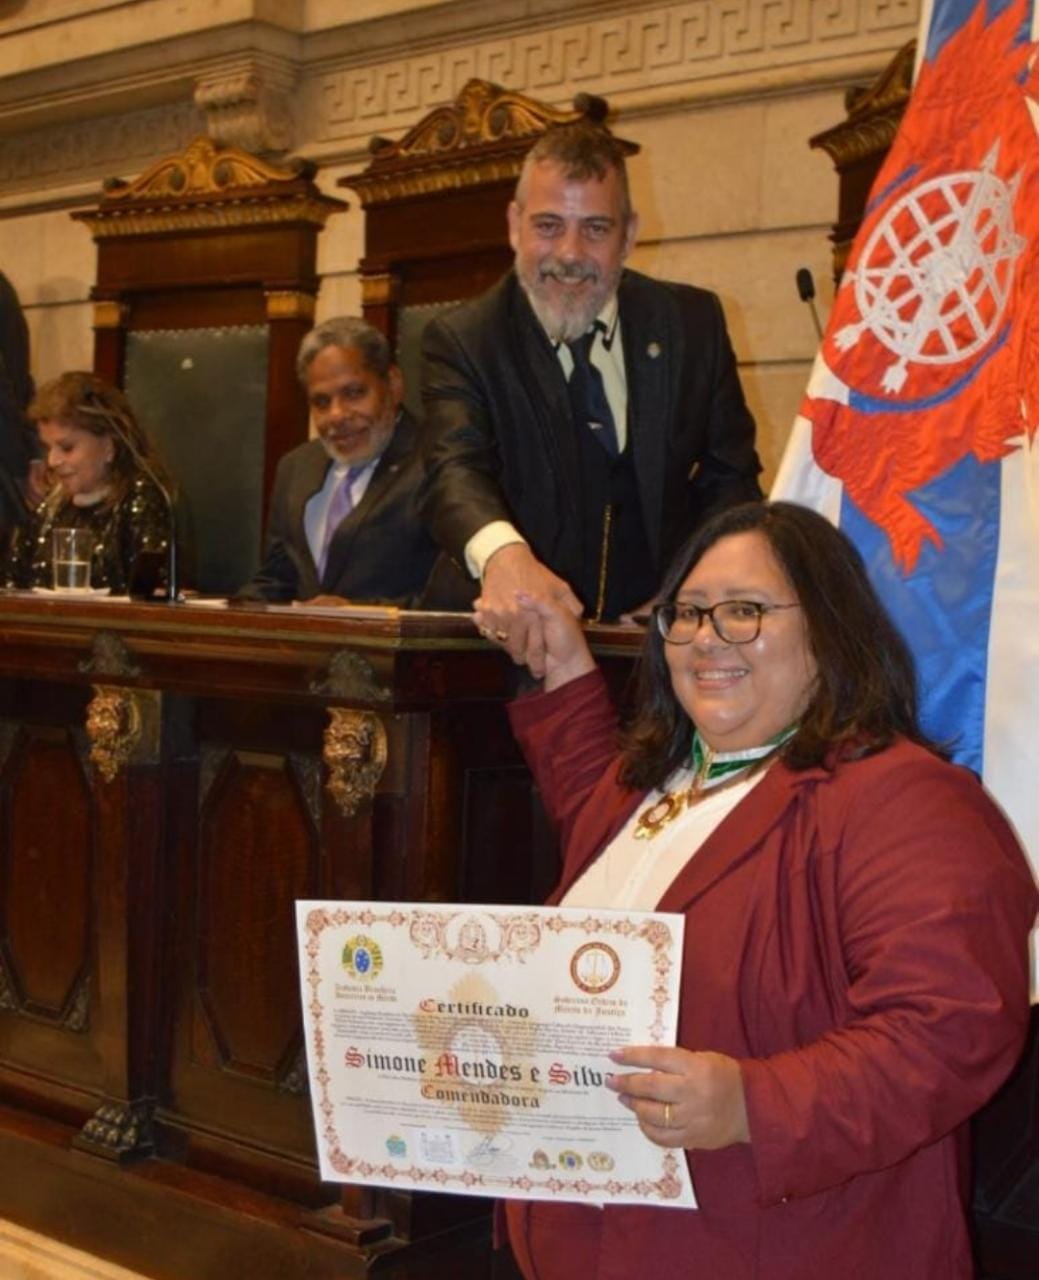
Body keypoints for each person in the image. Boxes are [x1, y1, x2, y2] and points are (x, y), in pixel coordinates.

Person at [473, 500, 1037, 1280]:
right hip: (587, 1239)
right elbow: (603, 827)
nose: (707, 638)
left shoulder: (904, 798)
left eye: (743, 611)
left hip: (784, 1249)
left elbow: (948, 1033)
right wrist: (559, 662)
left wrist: (751, 1102)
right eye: (688, 613)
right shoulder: (653, 786)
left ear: (829, 627)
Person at [420, 122, 762, 646]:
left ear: (629, 234)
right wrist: (502, 556)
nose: (571, 253)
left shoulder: (692, 323)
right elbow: (453, 471)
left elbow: (731, 478)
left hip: (656, 651)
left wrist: (695, 585)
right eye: (549, 225)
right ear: (515, 226)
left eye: (596, 229)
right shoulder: (465, 339)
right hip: (500, 653)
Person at [239, 315, 438, 606]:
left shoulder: (440, 461)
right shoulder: (295, 467)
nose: (336, 415)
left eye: (354, 393)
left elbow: (459, 596)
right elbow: (276, 580)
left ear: (393, 385)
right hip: (306, 651)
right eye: (321, 402)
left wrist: (359, 616)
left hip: (405, 650)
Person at [3, 371, 173, 594]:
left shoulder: (144, 501)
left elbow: (151, 601)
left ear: (109, 446)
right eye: (47, 448)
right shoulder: (50, 510)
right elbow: (12, 590)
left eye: (67, 448)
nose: (52, 461)